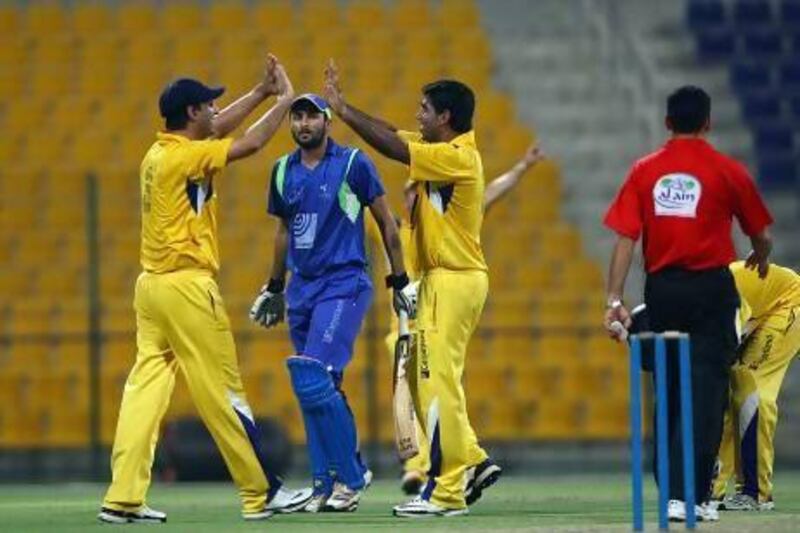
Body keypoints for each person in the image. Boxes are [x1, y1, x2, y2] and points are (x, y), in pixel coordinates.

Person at [98, 56, 313, 524]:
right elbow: (252, 142)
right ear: (193, 113)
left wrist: (259, 93)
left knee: (145, 392)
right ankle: (261, 493)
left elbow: (217, 132)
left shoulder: (158, 154)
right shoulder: (187, 155)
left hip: (151, 288)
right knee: (223, 391)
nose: (216, 109)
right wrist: (286, 101)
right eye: (210, 104)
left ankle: (123, 496)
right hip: (188, 288)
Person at [323, 60, 499, 518]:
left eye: (424, 109)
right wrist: (348, 109)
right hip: (445, 281)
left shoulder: (458, 157)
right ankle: (473, 461)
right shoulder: (441, 146)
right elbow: (391, 132)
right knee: (431, 382)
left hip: (452, 280)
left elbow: (392, 148)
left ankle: (446, 492)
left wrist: (342, 113)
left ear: (445, 117)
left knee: (434, 382)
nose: (417, 114)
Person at [603, 85, 773, 523]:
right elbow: (762, 233)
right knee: (708, 390)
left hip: (664, 290)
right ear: (708, 122)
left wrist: (614, 299)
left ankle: (673, 495)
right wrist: (760, 254)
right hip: (711, 290)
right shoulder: (726, 169)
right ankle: (695, 496)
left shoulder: (645, 171)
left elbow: (625, 239)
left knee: (670, 389)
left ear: (667, 123)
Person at [248, 93, 416, 513]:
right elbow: (284, 232)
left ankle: (353, 475)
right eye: (297, 116)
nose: (304, 124)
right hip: (302, 289)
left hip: (344, 282)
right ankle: (325, 481)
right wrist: (274, 287)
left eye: (312, 116)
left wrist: (400, 281)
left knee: (312, 375)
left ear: (327, 121)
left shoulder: (353, 164)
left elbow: (386, 222)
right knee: (316, 388)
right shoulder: (282, 170)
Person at [390, 143, 546, 495]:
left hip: (437, 307)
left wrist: (521, 167)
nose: (414, 195)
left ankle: (442, 474)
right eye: (409, 190)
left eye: (419, 188)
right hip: (404, 321)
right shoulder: (401, 229)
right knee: (432, 390)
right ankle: (473, 460)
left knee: (438, 389)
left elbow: (489, 193)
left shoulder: (447, 222)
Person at [711, 261, 800, 511]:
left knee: (751, 388)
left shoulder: (718, 289)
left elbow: (731, 336)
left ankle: (756, 493)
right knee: (729, 397)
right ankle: (712, 489)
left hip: (789, 303)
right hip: (760, 311)